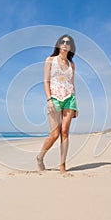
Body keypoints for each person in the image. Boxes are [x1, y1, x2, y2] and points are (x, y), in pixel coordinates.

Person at [37, 34, 78, 173]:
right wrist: (49, 100)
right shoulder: (50, 60)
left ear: (71, 47)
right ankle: (40, 158)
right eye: (62, 42)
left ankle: (62, 166)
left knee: (65, 132)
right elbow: (46, 81)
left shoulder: (71, 65)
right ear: (59, 45)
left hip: (69, 98)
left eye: (68, 42)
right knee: (54, 134)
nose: (65, 44)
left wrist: (75, 105)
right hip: (54, 98)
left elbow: (72, 84)